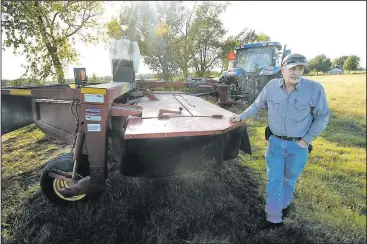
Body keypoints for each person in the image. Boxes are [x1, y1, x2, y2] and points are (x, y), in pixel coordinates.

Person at [230, 53, 330, 230]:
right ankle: (273, 217)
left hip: (298, 146)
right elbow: (257, 105)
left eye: (300, 69)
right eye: (292, 68)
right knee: (274, 179)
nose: (296, 73)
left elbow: (322, 117)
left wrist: (306, 141)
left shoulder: (314, 89)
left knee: (289, 180)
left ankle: (283, 206)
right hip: (275, 143)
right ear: (282, 69)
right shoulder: (271, 87)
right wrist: (241, 117)